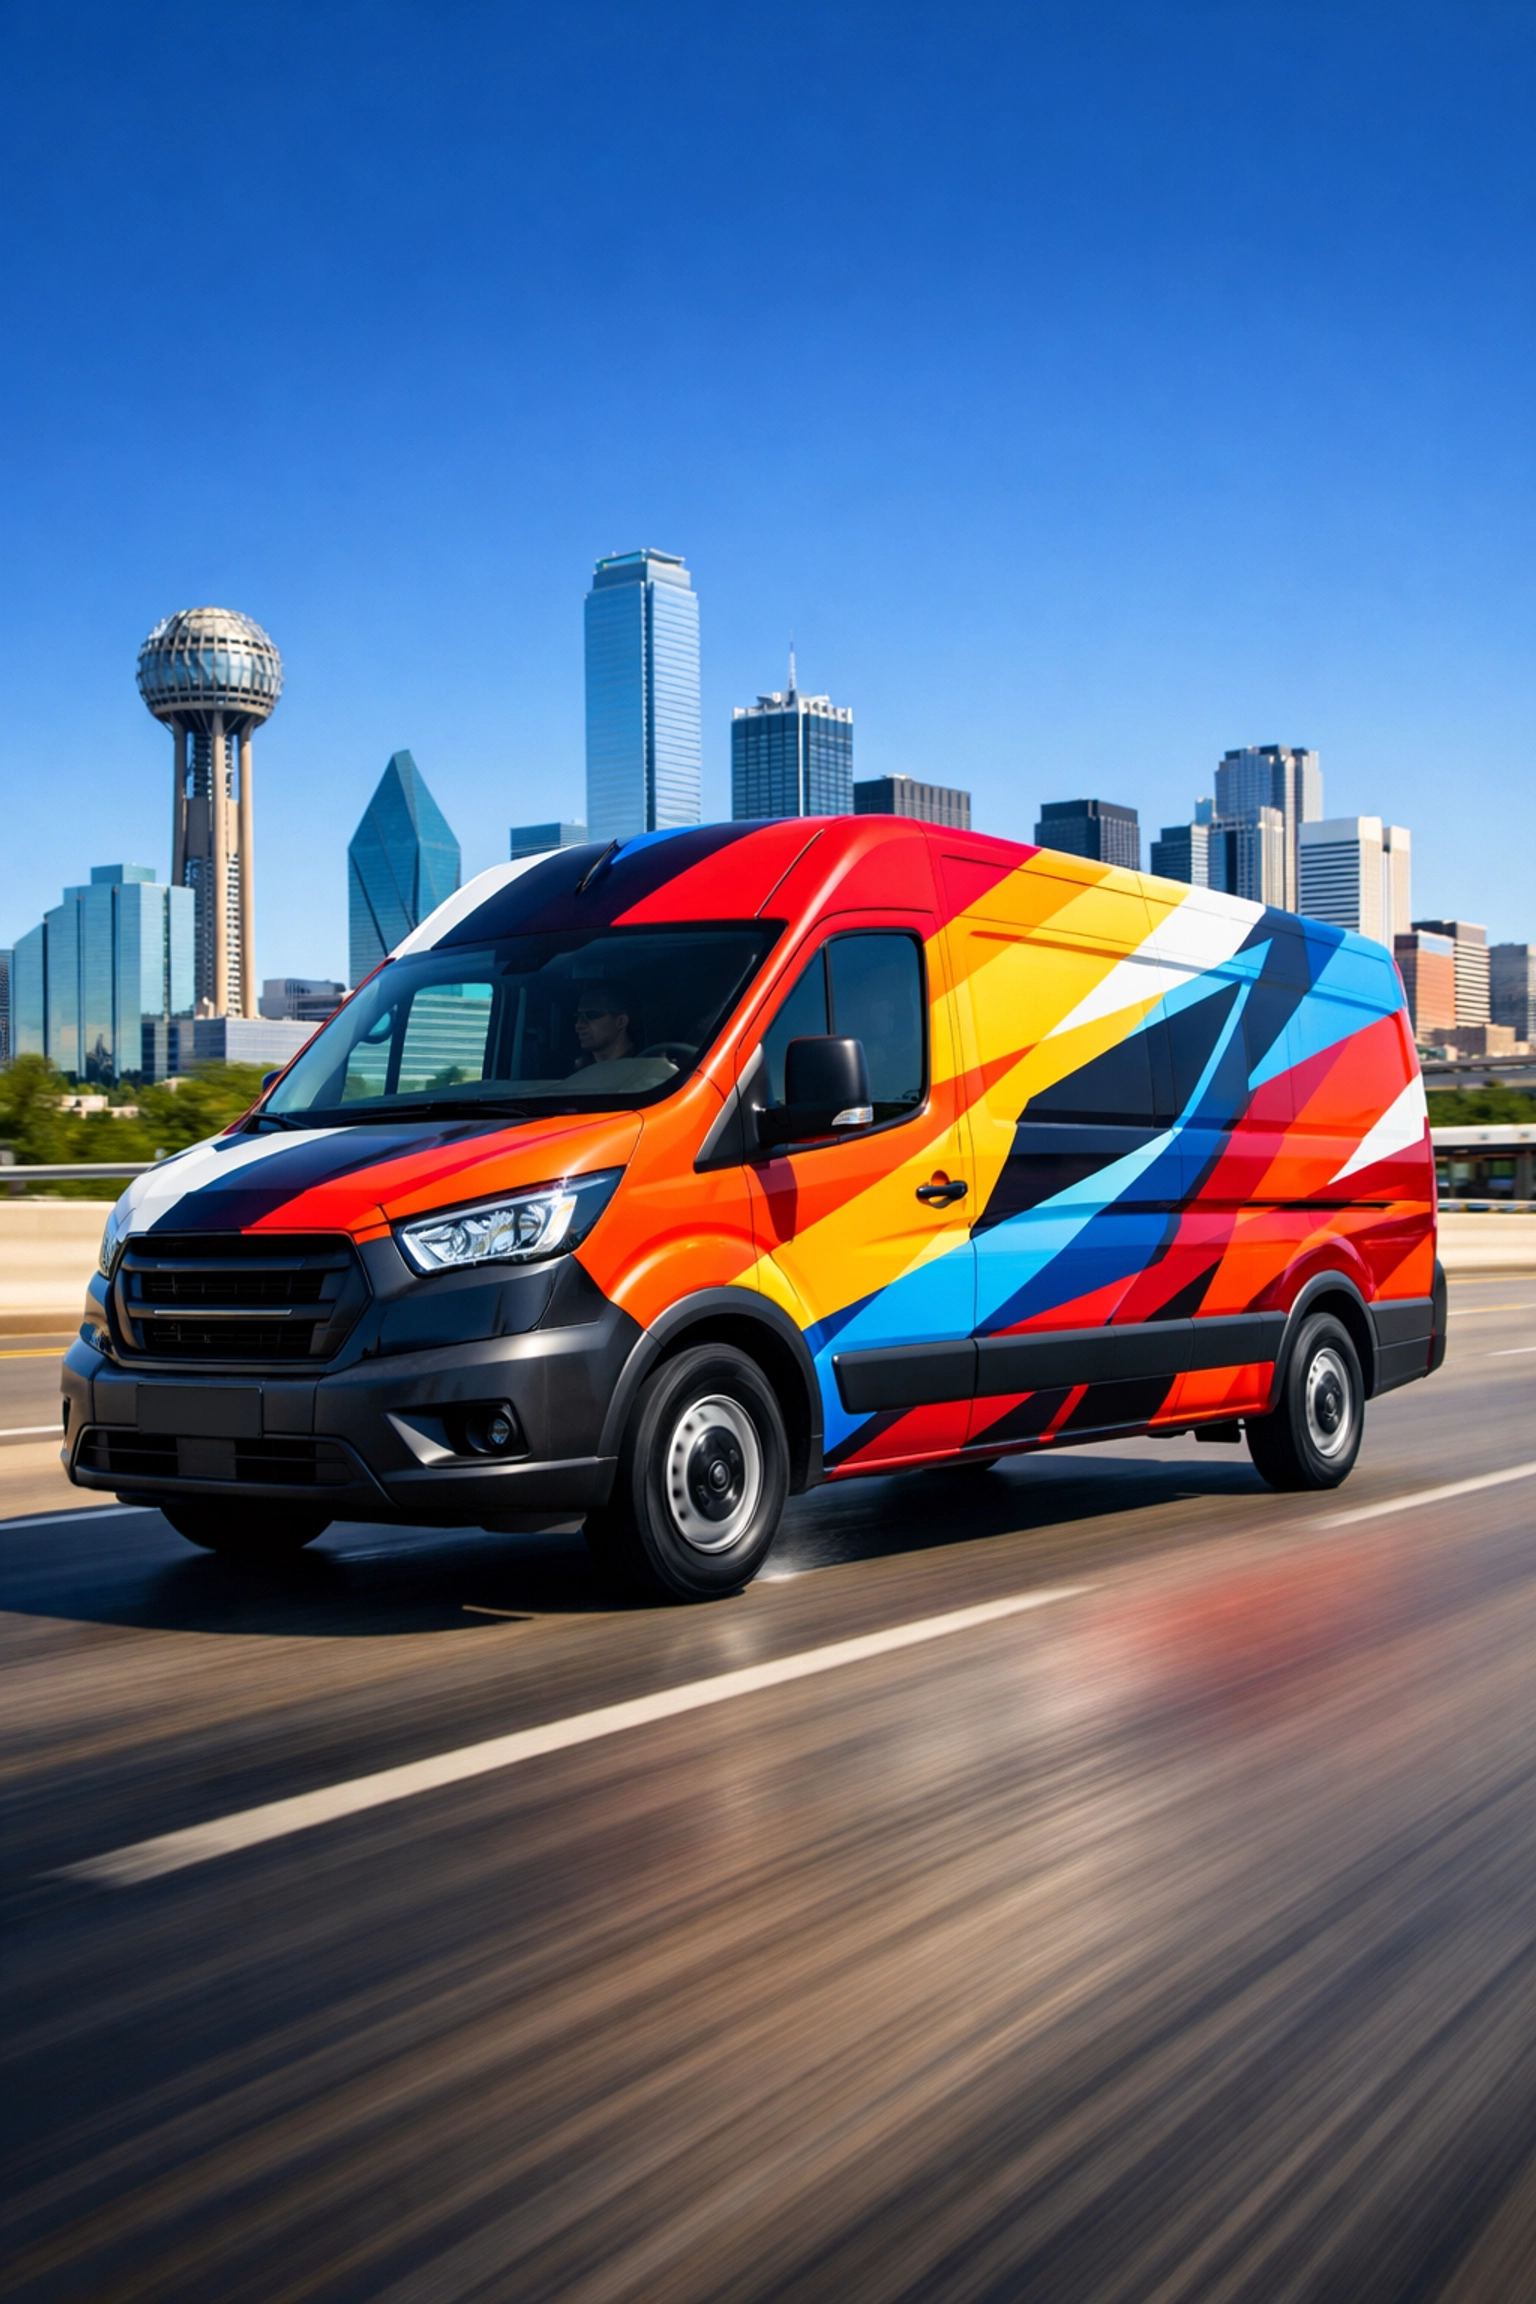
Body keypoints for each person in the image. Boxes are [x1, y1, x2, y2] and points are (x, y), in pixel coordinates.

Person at [570, 983, 636, 1068]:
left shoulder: (646, 1068)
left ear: (621, 1021)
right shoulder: (577, 1074)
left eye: (591, 1015)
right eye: (579, 1016)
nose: (579, 1025)